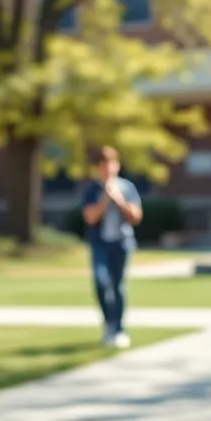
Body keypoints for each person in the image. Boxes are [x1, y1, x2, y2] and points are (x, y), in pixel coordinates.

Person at [79, 146, 143, 349]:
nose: (108, 168)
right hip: (100, 244)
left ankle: (119, 329)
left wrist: (119, 200)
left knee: (118, 287)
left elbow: (136, 217)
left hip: (121, 243)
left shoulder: (127, 188)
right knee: (101, 283)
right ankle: (109, 325)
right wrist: (105, 198)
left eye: (112, 163)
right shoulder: (92, 190)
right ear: (98, 167)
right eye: (104, 164)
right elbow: (90, 218)